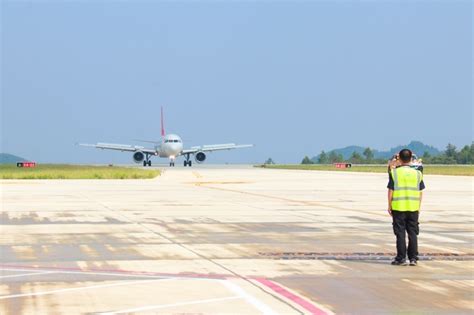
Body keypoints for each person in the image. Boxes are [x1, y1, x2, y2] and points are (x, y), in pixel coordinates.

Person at [387, 149, 425, 266]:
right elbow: (420, 191)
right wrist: (418, 206)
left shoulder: (394, 173)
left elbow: (391, 190)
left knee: (400, 233)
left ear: (400, 158)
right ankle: (413, 258)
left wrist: (389, 205)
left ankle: (401, 258)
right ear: (410, 158)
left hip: (398, 207)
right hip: (413, 207)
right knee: (413, 233)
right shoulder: (418, 174)